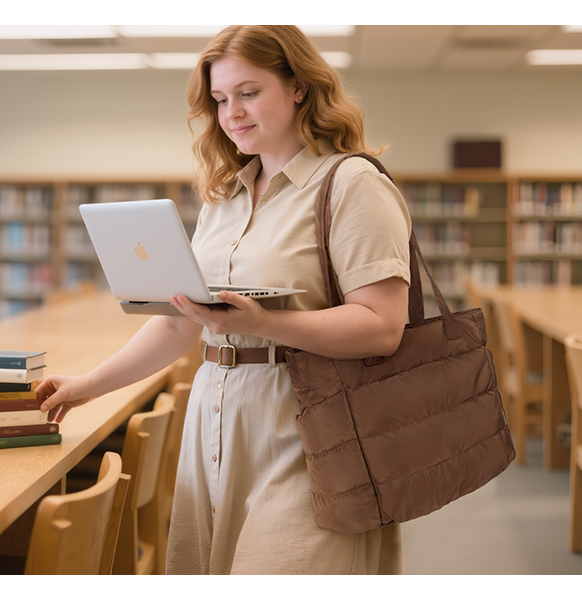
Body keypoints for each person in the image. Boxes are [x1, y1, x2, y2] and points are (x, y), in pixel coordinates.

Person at [36, 25, 410, 575]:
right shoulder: (225, 196)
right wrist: (89, 386)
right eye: (219, 99)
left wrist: (266, 323)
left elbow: (382, 326)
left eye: (249, 92)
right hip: (213, 422)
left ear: (299, 87)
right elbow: (180, 325)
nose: (231, 112)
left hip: (312, 425)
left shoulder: (352, 183)